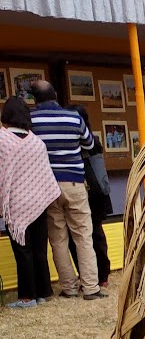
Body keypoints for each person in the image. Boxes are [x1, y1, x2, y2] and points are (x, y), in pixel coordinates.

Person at [28, 78, 104, 299]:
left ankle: (69, 288)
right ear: (54, 94)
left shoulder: (31, 120)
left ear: (35, 99)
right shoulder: (73, 117)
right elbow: (90, 145)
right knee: (83, 235)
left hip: (47, 186)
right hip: (74, 182)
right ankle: (91, 287)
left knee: (58, 238)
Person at [0, 94, 59, 307]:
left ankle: (27, 297)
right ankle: (43, 292)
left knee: (23, 251)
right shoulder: (37, 142)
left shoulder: (2, 139)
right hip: (38, 202)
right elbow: (44, 175)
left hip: (16, 203)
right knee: (39, 248)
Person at [77, 105, 112, 287]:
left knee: (92, 233)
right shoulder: (95, 141)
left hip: (91, 191)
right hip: (97, 191)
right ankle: (98, 274)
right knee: (94, 233)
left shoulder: (90, 142)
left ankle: (101, 274)